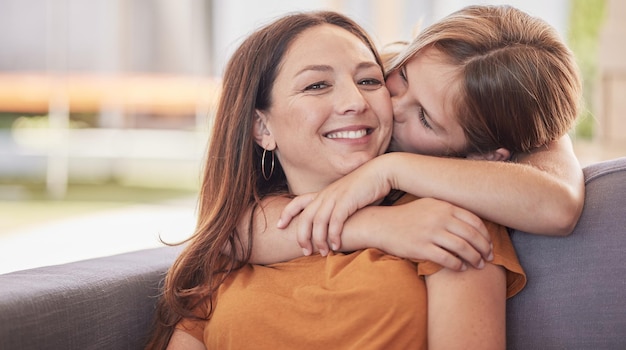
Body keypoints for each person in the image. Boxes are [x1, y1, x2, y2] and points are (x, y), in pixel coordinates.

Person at [145, 9, 524, 349]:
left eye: (370, 81)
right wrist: (374, 225)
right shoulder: (236, 247)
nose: (355, 101)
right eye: (317, 85)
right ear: (262, 128)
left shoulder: (445, 219)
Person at [246, 4, 584, 267]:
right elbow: (230, 232)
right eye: (402, 76)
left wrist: (389, 169)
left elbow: (557, 206)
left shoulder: (525, 137)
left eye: (425, 118)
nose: (388, 105)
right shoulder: (365, 73)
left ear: (489, 155)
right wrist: (377, 225)